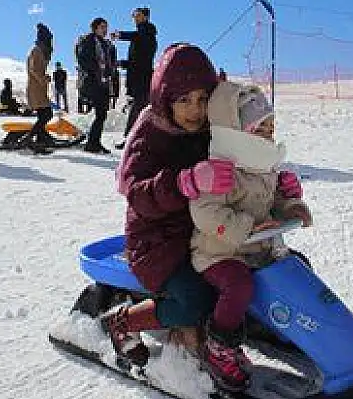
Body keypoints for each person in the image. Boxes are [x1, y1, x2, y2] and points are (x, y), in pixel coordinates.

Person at [103, 42, 232, 373]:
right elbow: (136, 193)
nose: (195, 110)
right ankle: (123, 322)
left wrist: (275, 184)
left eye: (203, 99)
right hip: (157, 245)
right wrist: (182, 183)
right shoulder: (150, 133)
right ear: (164, 99)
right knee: (194, 299)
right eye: (184, 100)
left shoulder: (210, 130)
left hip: (201, 233)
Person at [184, 80, 313, 391]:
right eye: (260, 127)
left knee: (296, 266)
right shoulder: (219, 171)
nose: (269, 132)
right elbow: (205, 212)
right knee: (239, 283)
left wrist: (291, 206)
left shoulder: (263, 166)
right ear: (236, 131)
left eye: (271, 125)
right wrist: (247, 229)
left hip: (257, 249)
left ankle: (290, 325)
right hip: (217, 253)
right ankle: (219, 346)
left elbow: (274, 204)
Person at [111, 6, 158, 148]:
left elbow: (140, 59)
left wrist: (120, 35)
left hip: (142, 80)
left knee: (138, 110)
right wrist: (123, 64)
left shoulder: (146, 33)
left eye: (137, 15)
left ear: (145, 17)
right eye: (133, 15)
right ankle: (140, 139)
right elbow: (137, 61)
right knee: (141, 110)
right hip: (139, 78)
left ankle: (130, 139)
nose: (134, 18)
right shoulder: (142, 35)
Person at [77, 17, 114, 154]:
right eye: (102, 27)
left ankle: (94, 142)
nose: (105, 30)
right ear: (95, 28)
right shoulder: (88, 41)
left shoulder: (105, 44)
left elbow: (108, 62)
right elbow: (82, 60)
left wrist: (109, 70)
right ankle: (92, 144)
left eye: (106, 27)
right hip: (93, 82)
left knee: (102, 114)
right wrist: (96, 69)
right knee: (100, 114)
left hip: (103, 83)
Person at [24, 23, 56, 155]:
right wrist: (44, 79)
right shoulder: (37, 50)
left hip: (38, 88)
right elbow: (35, 70)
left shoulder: (40, 50)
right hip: (36, 88)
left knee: (44, 114)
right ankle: (30, 138)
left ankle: (41, 140)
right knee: (46, 114)